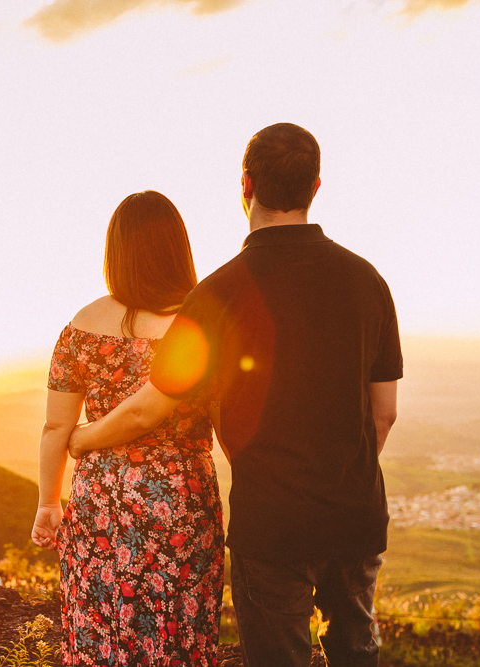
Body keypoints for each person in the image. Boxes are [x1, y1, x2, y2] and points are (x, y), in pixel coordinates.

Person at [69, 123, 402, 667]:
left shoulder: (217, 294)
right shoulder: (368, 281)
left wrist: (83, 439)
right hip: (355, 516)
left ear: (245, 185)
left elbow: (151, 407)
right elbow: (383, 414)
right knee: (356, 652)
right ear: (316, 187)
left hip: (270, 525)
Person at [31, 190, 225, 666]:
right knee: (177, 631)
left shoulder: (82, 325)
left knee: (101, 628)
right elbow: (228, 420)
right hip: (181, 501)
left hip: (100, 501)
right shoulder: (201, 323)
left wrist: (48, 503)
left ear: (115, 251)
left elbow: (56, 427)